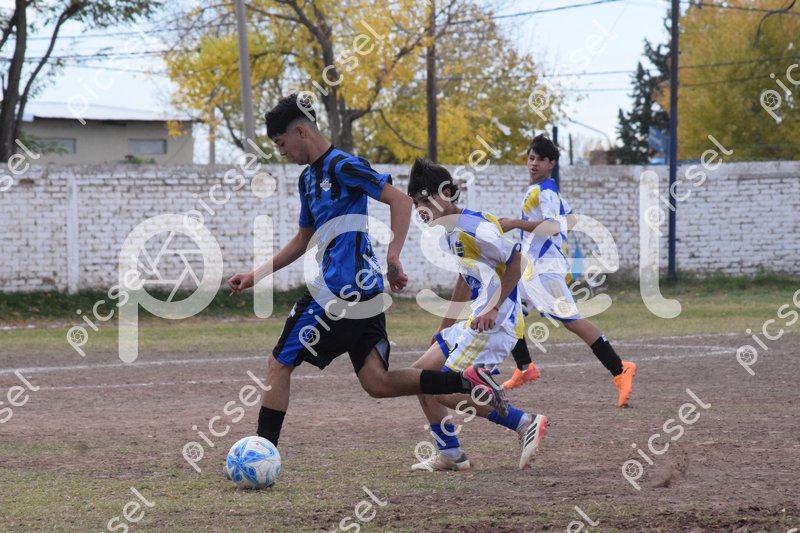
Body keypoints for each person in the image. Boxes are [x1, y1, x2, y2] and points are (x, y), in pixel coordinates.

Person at [227, 94, 507, 450]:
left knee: (278, 363)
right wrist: (256, 275)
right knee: (378, 383)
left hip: (341, 291)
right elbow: (303, 238)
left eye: (281, 143)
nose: (281, 152)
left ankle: (261, 452)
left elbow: (399, 199)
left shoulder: (343, 165)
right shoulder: (307, 180)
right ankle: (468, 382)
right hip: (364, 293)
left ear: (301, 132)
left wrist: (393, 255)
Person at [406, 158, 548, 472]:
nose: (419, 209)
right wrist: (444, 326)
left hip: (495, 322)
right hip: (475, 319)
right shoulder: (451, 231)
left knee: (442, 389)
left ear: (445, 194)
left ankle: (524, 422)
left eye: (424, 200)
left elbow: (517, 261)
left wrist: (493, 306)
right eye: (415, 203)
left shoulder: (473, 227)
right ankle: (451, 454)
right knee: (419, 377)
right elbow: (466, 277)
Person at [498, 134, 637, 407]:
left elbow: (553, 226)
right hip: (530, 266)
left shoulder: (547, 191)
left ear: (552, 163)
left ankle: (620, 368)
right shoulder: (543, 190)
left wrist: (515, 223)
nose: (533, 163)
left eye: (540, 159)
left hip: (544, 268)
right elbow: (569, 219)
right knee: (508, 309)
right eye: (531, 158)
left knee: (571, 320)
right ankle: (525, 367)